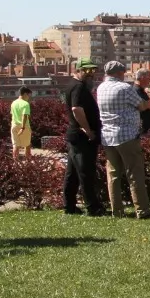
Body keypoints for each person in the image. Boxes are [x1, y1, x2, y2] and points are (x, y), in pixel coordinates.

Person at [97, 60, 150, 218]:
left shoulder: (101, 87)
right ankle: (142, 210)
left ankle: (117, 211)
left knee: (113, 175)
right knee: (134, 173)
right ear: (119, 73)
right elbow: (142, 106)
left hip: (107, 136)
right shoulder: (125, 88)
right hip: (127, 135)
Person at [61, 60, 106, 215]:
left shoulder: (74, 85)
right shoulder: (78, 87)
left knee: (72, 174)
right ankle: (93, 207)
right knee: (86, 172)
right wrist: (87, 130)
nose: (91, 75)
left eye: (93, 71)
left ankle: (69, 206)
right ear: (78, 70)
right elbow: (76, 109)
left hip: (76, 136)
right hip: (81, 137)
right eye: (87, 71)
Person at [10, 86, 34, 158]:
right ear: (25, 94)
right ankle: (27, 163)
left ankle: (15, 163)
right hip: (24, 127)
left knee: (15, 146)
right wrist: (23, 127)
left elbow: (12, 114)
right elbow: (25, 116)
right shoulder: (25, 104)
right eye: (29, 95)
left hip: (14, 126)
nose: (29, 98)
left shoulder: (13, 103)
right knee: (27, 145)